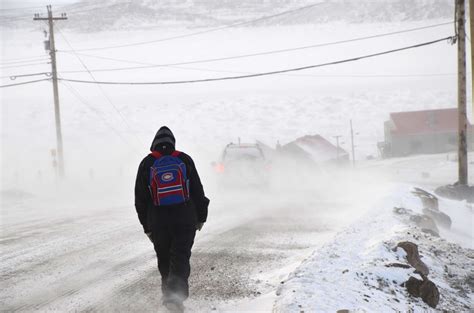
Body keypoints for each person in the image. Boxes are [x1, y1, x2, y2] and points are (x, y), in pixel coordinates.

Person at [135, 126, 210, 312]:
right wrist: (201, 217)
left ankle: (169, 297)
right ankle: (174, 297)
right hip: (184, 218)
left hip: (158, 221)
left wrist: (147, 227)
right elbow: (198, 191)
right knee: (180, 256)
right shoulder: (184, 159)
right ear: (172, 142)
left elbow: (140, 199)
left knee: (164, 257)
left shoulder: (147, 163)